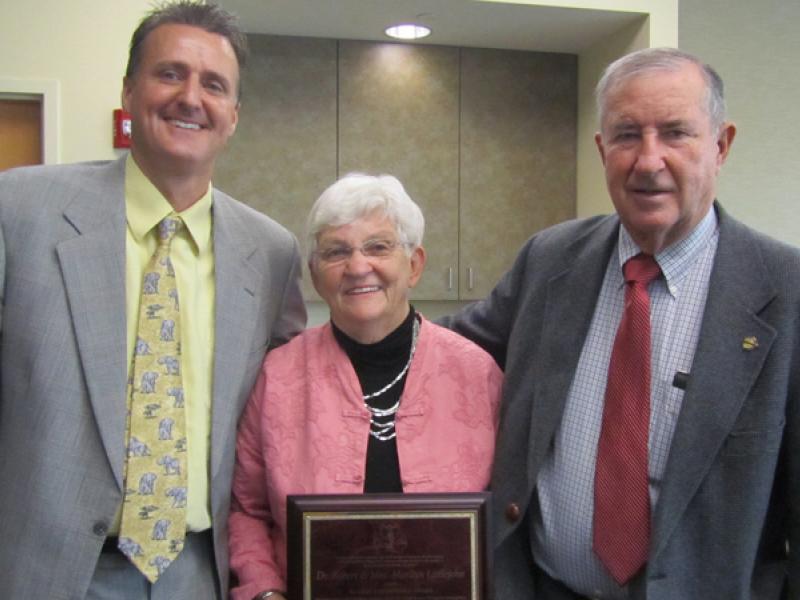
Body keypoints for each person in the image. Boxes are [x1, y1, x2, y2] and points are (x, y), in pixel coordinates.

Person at [441, 47, 798, 599]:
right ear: (603, 149)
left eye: (676, 133)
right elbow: (442, 351)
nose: (648, 161)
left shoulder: (785, 291)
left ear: (721, 145)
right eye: (628, 135)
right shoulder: (551, 259)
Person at [0, 2, 305, 598]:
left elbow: (285, 419)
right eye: (170, 74)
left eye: (214, 85)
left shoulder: (271, 252)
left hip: (200, 572)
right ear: (129, 90)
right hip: (48, 570)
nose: (191, 97)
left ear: (234, 115)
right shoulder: (20, 212)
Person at [227, 173, 503, 600]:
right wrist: (264, 591)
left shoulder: (477, 374)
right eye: (336, 252)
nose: (357, 267)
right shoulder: (277, 377)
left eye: (378, 247)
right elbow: (248, 510)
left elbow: (508, 511)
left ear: (414, 265)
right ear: (316, 275)